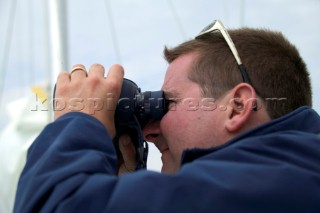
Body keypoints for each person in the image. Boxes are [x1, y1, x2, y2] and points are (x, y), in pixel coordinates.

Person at [14, 20, 320, 212]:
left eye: (168, 103)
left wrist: (79, 119)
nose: (149, 131)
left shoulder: (265, 185)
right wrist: (123, 186)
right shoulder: (294, 176)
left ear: (238, 106)